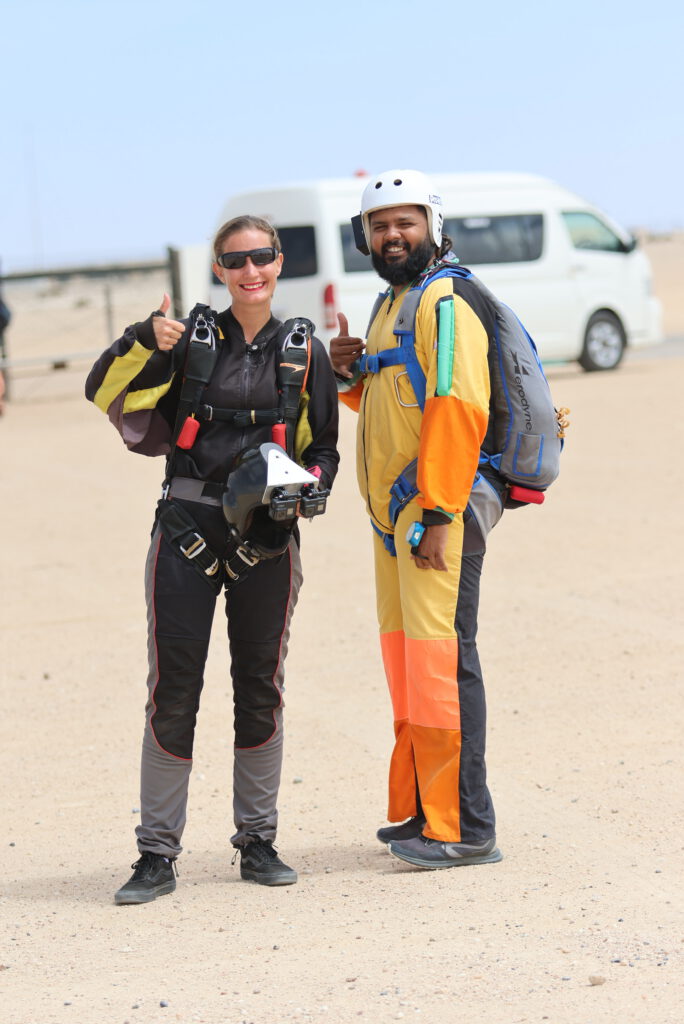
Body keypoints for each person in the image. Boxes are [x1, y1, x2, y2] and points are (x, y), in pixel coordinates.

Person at [86, 215, 339, 903]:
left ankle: (257, 841)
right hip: (186, 532)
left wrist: (305, 494)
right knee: (174, 688)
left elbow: (324, 451)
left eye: (261, 257)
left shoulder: (303, 349)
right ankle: (155, 854)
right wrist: (142, 338)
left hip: (267, 539)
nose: (250, 270)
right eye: (236, 260)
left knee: (261, 686)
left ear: (279, 262)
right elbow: (104, 391)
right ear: (219, 269)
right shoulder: (187, 342)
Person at [330, 169, 503, 870]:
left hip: (434, 520)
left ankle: (464, 826)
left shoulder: (445, 300)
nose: (392, 235)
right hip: (394, 523)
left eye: (405, 222)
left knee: (443, 667)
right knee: (410, 666)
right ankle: (423, 812)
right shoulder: (390, 303)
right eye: (379, 225)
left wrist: (437, 514)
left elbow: (458, 411)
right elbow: (393, 412)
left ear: (433, 224)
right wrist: (351, 377)